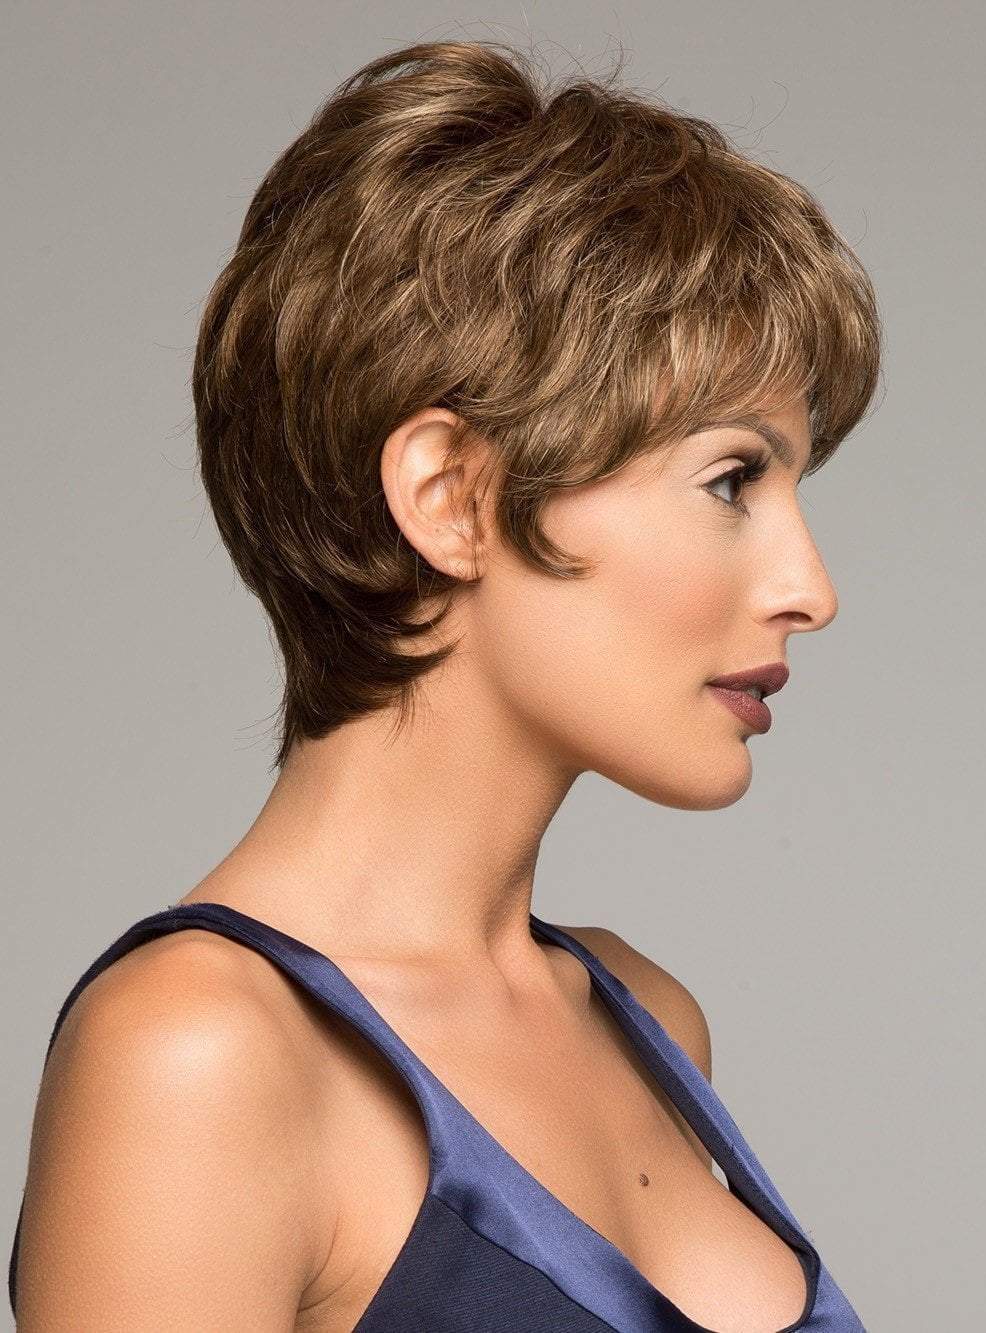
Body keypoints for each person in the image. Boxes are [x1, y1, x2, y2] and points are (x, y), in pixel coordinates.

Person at [9, 38, 880, 1333]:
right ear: (452, 496)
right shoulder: (199, 1055)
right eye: (730, 479)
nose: (811, 586)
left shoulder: (647, 1020)